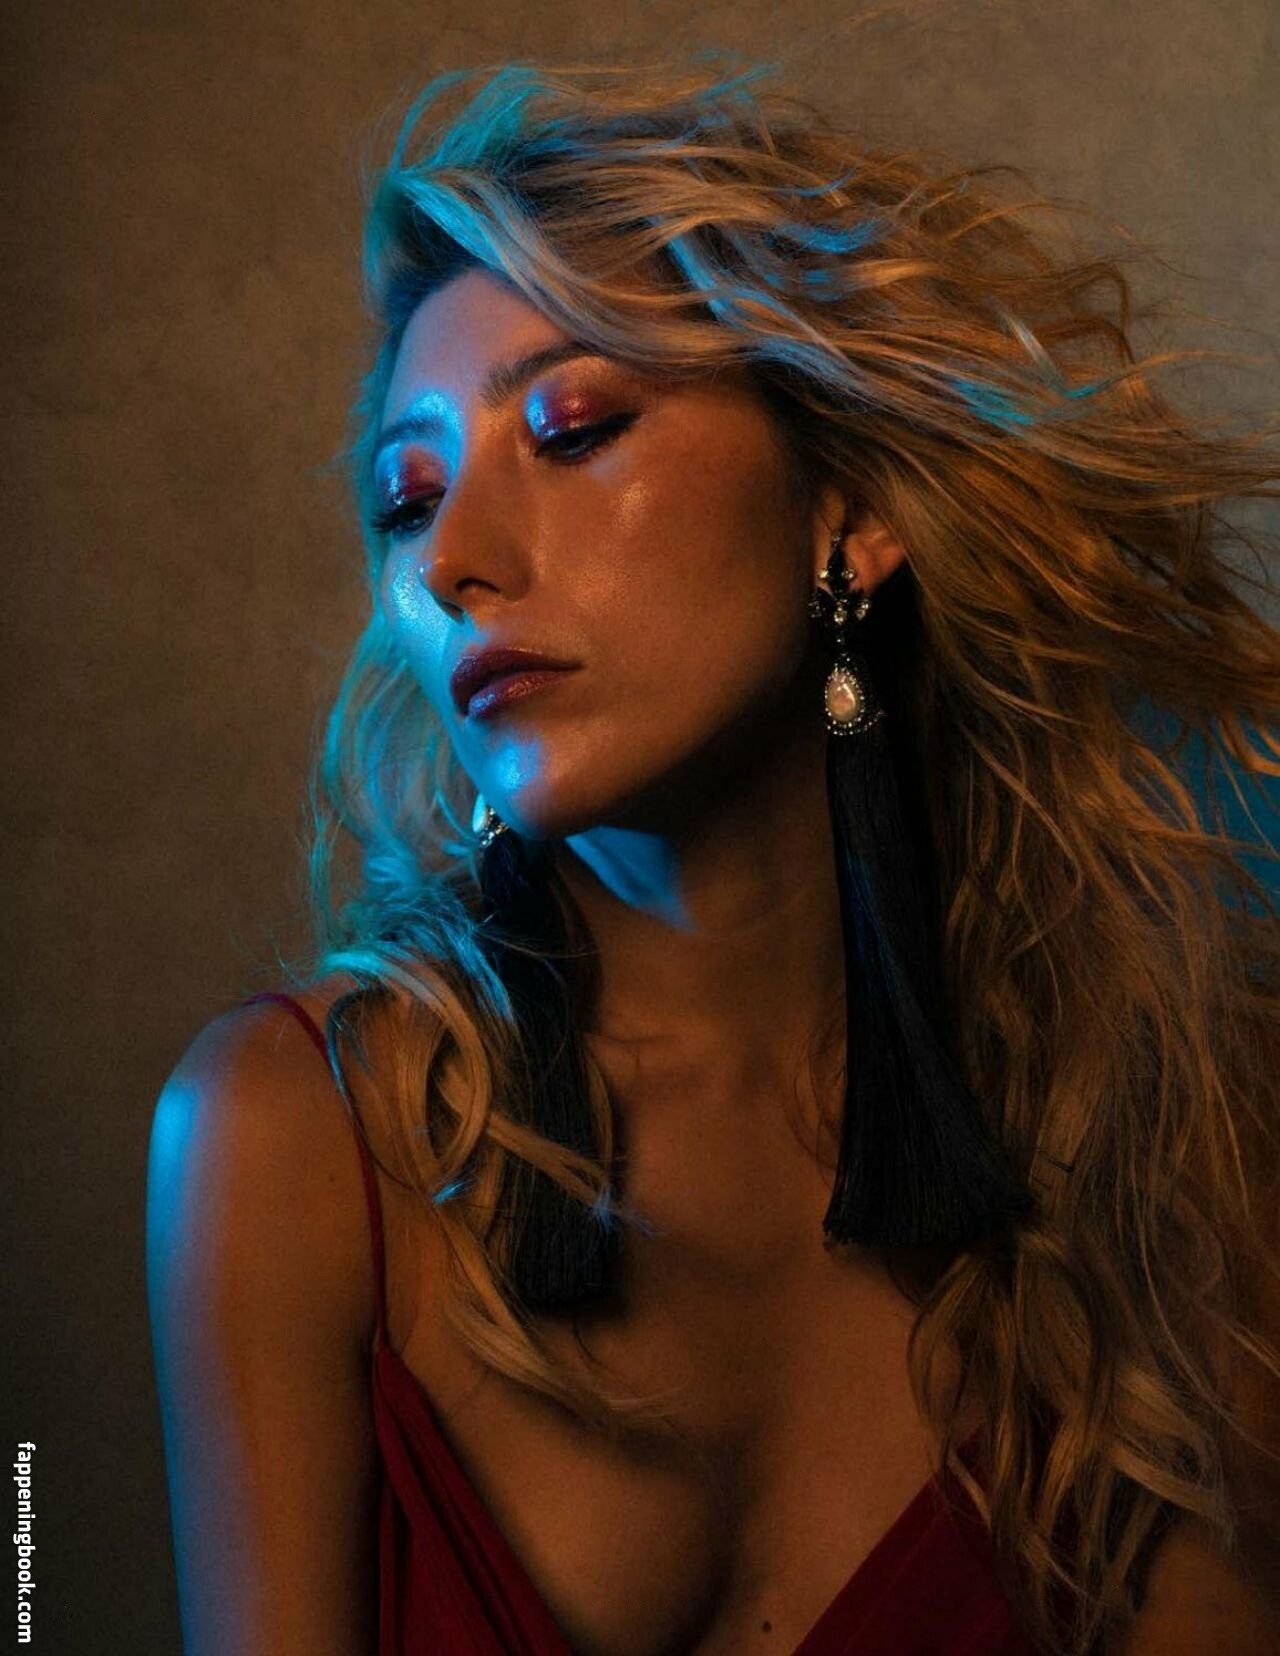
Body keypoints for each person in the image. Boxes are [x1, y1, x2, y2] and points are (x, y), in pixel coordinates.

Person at [146, 54, 1280, 1656]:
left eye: (573, 428)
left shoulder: (1165, 1123)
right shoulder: (303, 1141)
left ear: (847, 512)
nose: (455, 559)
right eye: (408, 501)